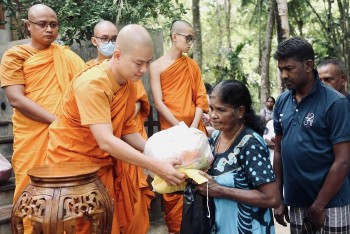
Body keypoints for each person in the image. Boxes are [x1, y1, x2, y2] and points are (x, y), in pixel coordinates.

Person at [45, 24, 185, 234]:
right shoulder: (93, 84)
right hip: (73, 166)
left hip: (101, 164)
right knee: (84, 226)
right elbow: (106, 140)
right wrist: (155, 165)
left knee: (106, 224)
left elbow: (127, 129)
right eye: (138, 63)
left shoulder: (127, 83)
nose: (144, 70)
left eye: (147, 63)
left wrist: (160, 154)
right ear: (117, 55)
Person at [0, 3, 86, 204]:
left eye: (53, 24)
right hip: (33, 135)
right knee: (32, 194)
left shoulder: (67, 55)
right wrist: (57, 121)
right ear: (28, 25)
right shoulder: (15, 56)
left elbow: (85, 86)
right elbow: (16, 99)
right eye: (42, 24)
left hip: (65, 137)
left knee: (66, 196)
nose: (49, 29)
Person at [273, 37, 350, 233]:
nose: (284, 75)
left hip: (331, 203)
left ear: (308, 65)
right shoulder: (282, 102)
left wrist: (319, 205)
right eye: (281, 69)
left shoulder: (336, 103)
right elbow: (279, 153)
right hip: (297, 202)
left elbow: (343, 161)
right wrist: (278, 198)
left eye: (289, 68)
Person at [196, 80, 279, 234]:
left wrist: (221, 190)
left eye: (221, 110)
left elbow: (272, 198)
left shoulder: (250, 144)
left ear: (240, 111)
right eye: (211, 108)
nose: (213, 115)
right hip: (222, 226)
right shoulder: (215, 138)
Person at [150, 19, 209, 233]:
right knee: (174, 183)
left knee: (200, 182)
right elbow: (158, 102)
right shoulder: (155, 66)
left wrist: (192, 128)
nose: (191, 42)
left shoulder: (192, 66)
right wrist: (181, 128)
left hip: (195, 134)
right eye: (188, 37)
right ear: (175, 37)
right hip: (172, 136)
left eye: (193, 38)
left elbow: (201, 99)